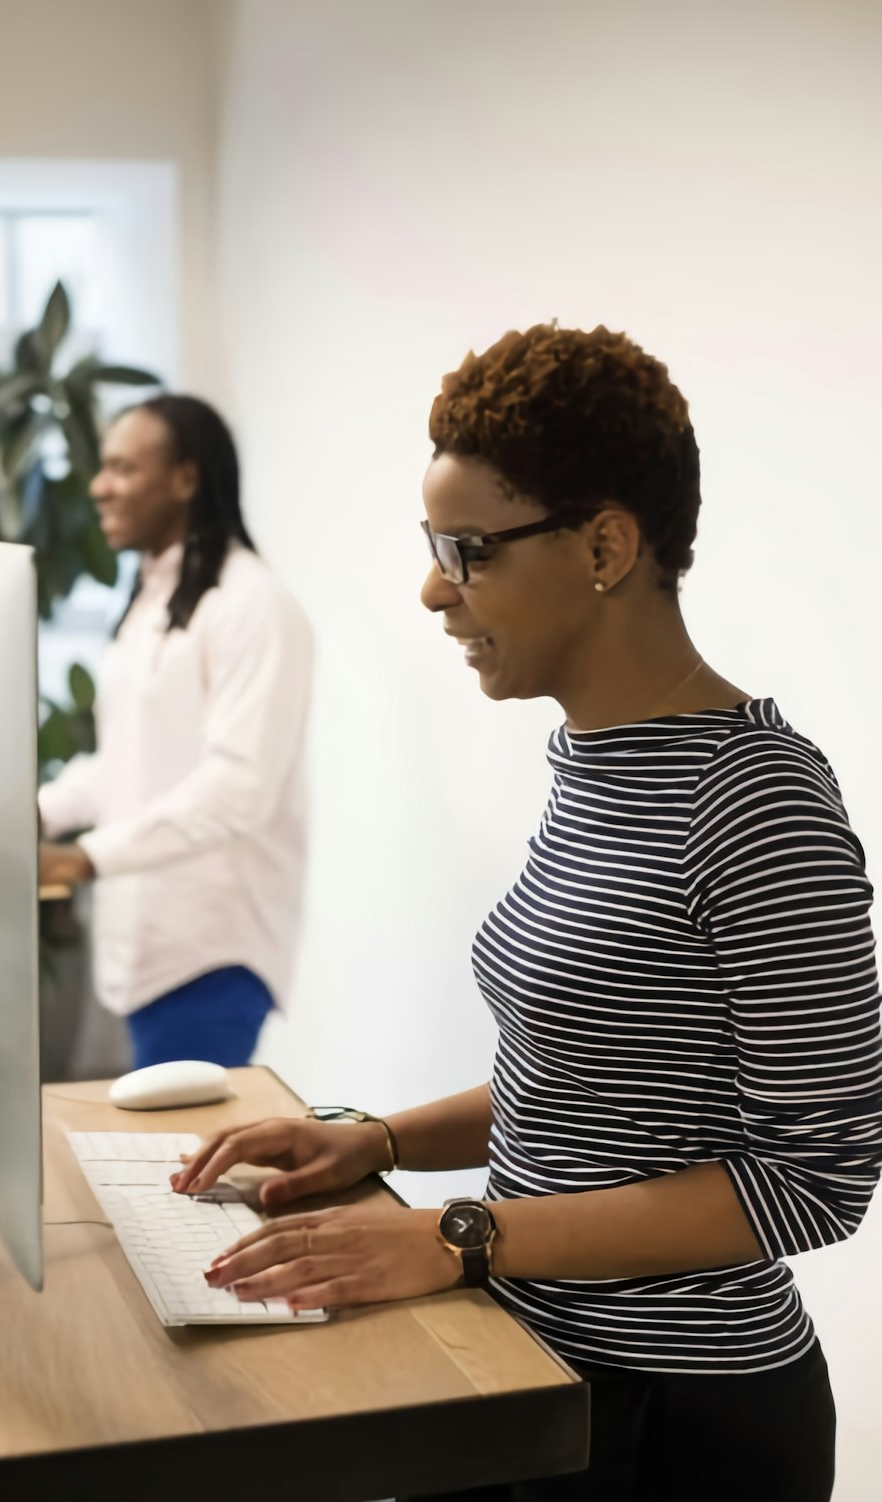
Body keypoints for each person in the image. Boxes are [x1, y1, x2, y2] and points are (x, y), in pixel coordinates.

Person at [171, 326, 882, 1501]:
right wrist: (382, 1139)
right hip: (527, 1355)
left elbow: (815, 1177)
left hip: (680, 1418)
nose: (433, 588)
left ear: (604, 544)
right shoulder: (592, 760)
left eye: (468, 550)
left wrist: (457, 1232)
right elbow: (603, 1078)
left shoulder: (758, 801)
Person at [38, 395, 313, 1070]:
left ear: (187, 479)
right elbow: (123, 761)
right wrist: (35, 813)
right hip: (144, 948)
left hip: (209, 956)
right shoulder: (152, 601)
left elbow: (238, 788)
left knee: (182, 1166)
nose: (100, 486)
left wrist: (85, 858)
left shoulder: (253, 606)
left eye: (123, 468)